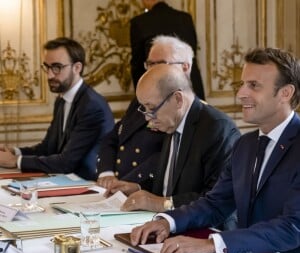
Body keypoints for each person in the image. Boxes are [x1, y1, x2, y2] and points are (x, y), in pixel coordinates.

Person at [130, 47, 300, 253]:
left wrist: (213, 244)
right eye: (242, 85)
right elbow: (215, 203)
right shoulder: (245, 145)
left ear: (286, 93)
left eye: (254, 86)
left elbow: (293, 227)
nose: (241, 94)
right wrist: (168, 221)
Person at [105, 63, 240, 213]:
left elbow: (215, 199)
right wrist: (137, 187)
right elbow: (172, 183)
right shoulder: (172, 120)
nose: (147, 118)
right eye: (144, 108)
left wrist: (158, 203)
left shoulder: (216, 129)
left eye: (152, 108)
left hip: (206, 230)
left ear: (178, 99)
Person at [0, 37, 114, 180]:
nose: (49, 75)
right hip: (64, 180)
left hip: (88, 185)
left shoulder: (91, 106)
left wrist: (14, 161)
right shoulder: (61, 99)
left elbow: (66, 163)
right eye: (47, 67)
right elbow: (48, 148)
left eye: (56, 67)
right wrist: (14, 151)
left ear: (77, 68)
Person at [97, 35, 199, 190]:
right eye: (150, 63)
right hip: (117, 189)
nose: (152, 70)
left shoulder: (186, 109)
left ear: (185, 67)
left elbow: (168, 158)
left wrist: (130, 184)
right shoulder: (139, 102)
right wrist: (106, 173)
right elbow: (113, 138)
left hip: (146, 189)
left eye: (161, 64)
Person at [130, 0, 205, 100]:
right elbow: (192, 54)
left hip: (161, 92)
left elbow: (137, 67)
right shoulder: (185, 18)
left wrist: (141, 97)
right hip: (191, 89)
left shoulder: (139, 23)